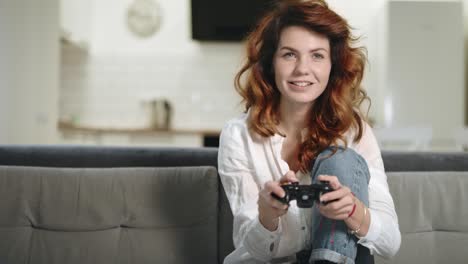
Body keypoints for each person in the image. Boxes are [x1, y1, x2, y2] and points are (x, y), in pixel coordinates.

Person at [217, 0, 401, 263]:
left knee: (341, 159)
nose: (302, 69)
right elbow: (253, 249)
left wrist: (353, 211)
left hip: (340, 257)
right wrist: (267, 216)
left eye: (317, 55)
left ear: (332, 65)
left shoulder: (354, 131)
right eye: (289, 54)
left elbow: (390, 243)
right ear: (270, 62)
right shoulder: (238, 136)